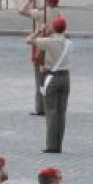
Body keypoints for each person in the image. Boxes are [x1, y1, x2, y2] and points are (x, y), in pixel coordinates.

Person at [28, 16, 70, 153]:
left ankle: (52, 146)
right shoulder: (69, 43)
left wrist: (40, 31)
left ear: (53, 27)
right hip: (65, 77)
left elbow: (29, 40)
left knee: (51, 112)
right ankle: (59, 144)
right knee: (61, 113)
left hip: (52, 77)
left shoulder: (49, 42)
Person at [17, 0, 59, 116]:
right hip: (54, 48)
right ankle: (52, 106)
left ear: (48, 2)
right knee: (51, 78)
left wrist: (30, 1)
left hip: (41, 47)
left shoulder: (41, 14)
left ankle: (41, 107)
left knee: (40, 80)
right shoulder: (59, 14)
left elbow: (21, 10)